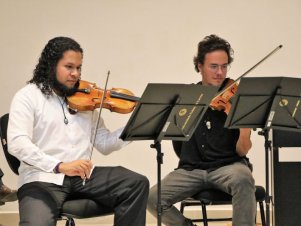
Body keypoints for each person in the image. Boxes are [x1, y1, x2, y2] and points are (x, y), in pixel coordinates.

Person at [7, 36, 149, 226]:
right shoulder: (28, 97)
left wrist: (137, 126)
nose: (75, 74)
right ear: (51, 65)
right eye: (69, 67)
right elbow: (17, 143)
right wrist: (59, 165)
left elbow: (105, 143)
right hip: (41, 179)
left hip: (83, 178)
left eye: (79, 67)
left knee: (136, 183)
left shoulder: (85, 100)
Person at [147, 34, 256, 226]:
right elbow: (177, 144)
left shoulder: (236, 99)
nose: (220, 72)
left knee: (243, 177)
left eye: (224, 66)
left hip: (228, 167)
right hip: (191, 170)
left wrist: (244, 129)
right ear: (199, 66)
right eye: (214, 66)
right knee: (151, 197)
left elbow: (242, 151)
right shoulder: (187, 98)